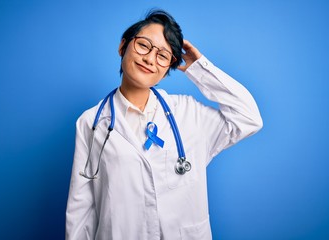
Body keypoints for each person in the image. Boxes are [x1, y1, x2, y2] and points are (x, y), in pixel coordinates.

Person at [65, 9, 263, 240]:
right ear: (123, 46)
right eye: (143, 46)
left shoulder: (189, 114)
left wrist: (200, 69)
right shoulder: (92, 122)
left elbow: (249, 117)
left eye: (162, 55)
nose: (150, 59)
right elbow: (82, 208)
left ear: (169, 67)